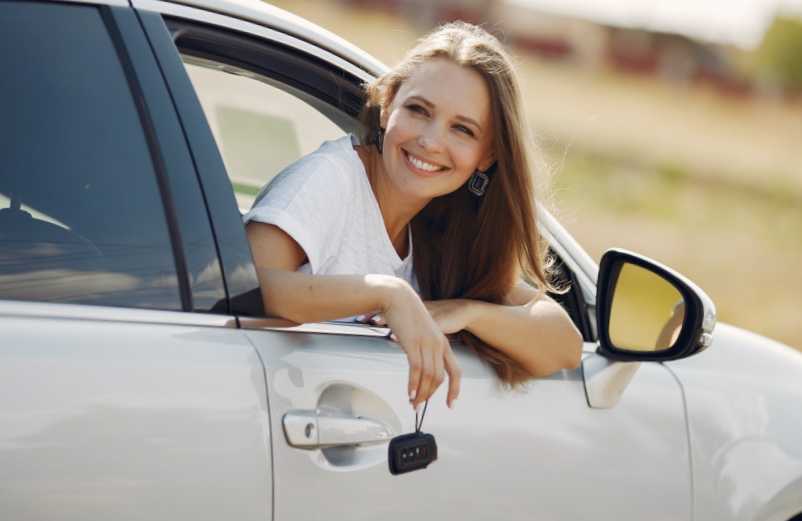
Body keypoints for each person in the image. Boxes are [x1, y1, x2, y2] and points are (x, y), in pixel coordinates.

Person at [244, 21, 582, 413]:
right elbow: (245, 287)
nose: (430, 140)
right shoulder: (331, 178)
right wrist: (388, 294)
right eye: (419, 110)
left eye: (463, 130)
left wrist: (464, 312)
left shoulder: (446, 227)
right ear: (388, 106)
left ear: (486, 157)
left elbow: (564, 345)